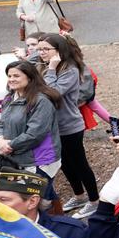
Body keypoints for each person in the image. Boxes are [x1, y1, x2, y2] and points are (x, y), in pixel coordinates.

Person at [37, 34, 99, 217]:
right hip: (53, 126)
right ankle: (79, 196)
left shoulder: (69, 70)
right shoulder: (44, 66)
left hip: (70, 126)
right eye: (40, 49)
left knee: (80, 163)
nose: (41, 53)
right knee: (64, 163)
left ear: (58, 51)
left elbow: (52, 92)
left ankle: (94, 201)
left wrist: (51, 68)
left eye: (46, 49)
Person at [0, 59, 61, 178]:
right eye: (9, 76)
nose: (11, 79)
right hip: (17, 158)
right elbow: (2, 123)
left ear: (30, 78)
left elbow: (35, 134)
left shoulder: (41, 101)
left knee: (36, 190)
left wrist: (8, 147)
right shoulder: (9, 99)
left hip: (39, 160)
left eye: (16, 76)